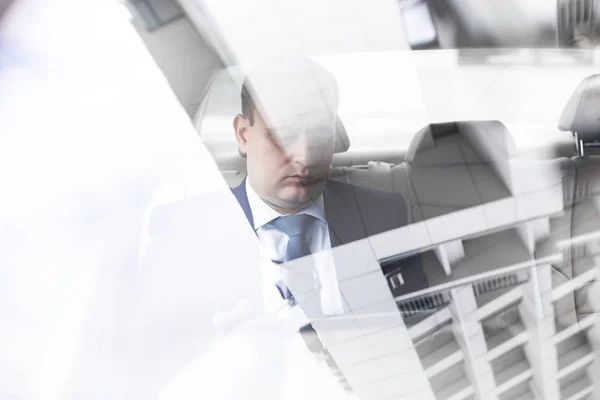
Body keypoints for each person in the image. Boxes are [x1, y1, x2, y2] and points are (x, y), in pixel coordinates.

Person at [128, 56, 428, 399]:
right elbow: (146, 366)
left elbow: (422, 336)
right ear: (243, 134)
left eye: (318, 135)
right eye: (283, 136)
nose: (303, 156)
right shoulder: (181, 233)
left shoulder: (383, 215)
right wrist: (219, 360)